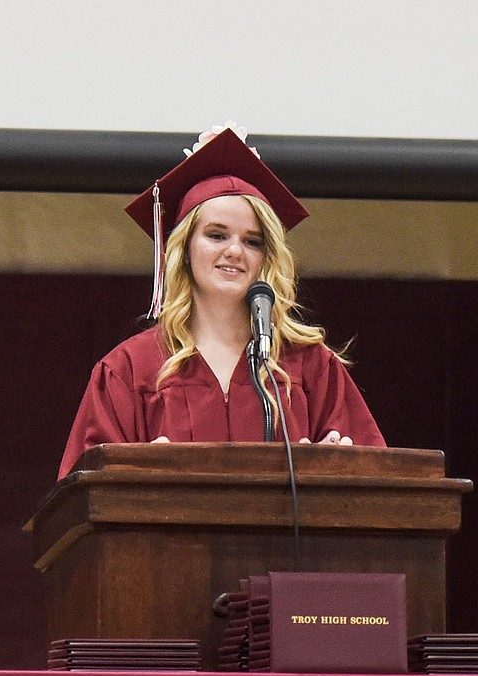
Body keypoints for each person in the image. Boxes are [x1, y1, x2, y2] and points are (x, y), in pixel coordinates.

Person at [58, 124, 384, 479]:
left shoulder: (310, 367)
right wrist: (137, 479)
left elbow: (381, 483)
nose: (234, 251)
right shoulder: (129, 370)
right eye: (216, 235)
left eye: (252, 241)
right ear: (183, 249)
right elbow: (83, 501)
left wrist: (336, 469)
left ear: (267, 257)